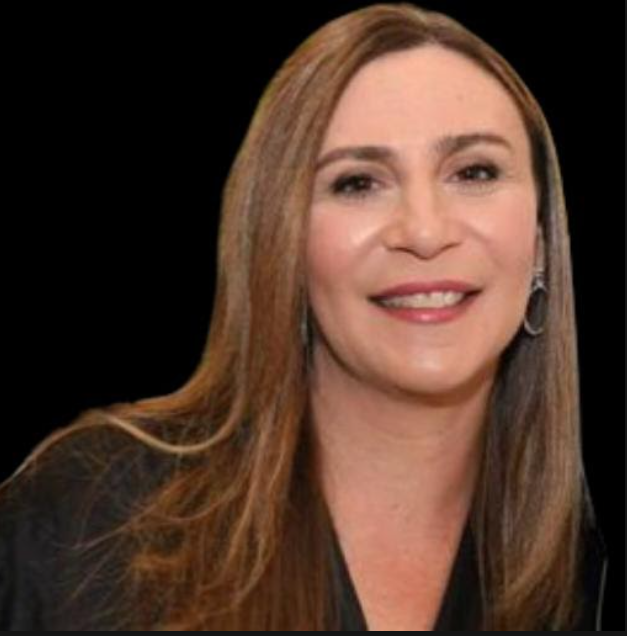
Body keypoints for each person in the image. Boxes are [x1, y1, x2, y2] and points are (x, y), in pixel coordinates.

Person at [0, 3, 607, 631]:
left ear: (541, 240)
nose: (425, 232)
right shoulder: (89, 522)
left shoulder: (589, 572)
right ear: (282, 242)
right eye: (357, 183)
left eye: (474, 171)